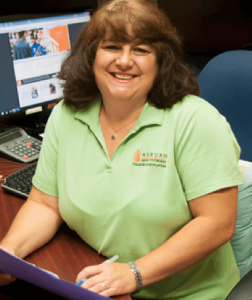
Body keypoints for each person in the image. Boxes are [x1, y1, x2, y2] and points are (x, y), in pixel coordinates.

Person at [0, 0, 243, 299]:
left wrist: (134, 273)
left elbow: (217, 224)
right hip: (99, 282)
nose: (124, 61)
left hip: (187, 293)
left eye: (141, 50)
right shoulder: (66, 114)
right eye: (112, 47)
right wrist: (8, 254)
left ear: (160, 60)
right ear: (91, 56)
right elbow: (45, 204)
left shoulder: (196, 120)